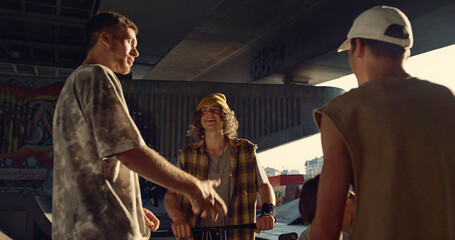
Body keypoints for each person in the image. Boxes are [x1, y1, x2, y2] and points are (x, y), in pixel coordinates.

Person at [52, 12, 227, 240]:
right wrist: (194, 187)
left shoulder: (73, 84)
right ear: (105, 38)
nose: (136, 52)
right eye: (130, 43)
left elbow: (90, 167)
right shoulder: (97, 75)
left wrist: (132, 207)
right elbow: (129, 151)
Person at [310, 5, 455, 240]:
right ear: (405, 53)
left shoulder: (342, 112)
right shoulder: (447, 99)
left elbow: (327, 225)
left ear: (359, 47)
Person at [164, 93, 276, 240]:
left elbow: (264, 186)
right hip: (195, 235)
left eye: (215, 109)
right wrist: (178, 219)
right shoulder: (187, 155)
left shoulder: (246, 150)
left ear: (225, 117)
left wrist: (267, 213)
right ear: (200, 119)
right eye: (204, 110)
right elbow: (171, 195)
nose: (209, 113)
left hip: (237, 235)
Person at [298, 174, 355, 240]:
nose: (325, 230)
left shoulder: (367, 226)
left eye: (327, 223)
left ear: (343, 205)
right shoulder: (308, 236)